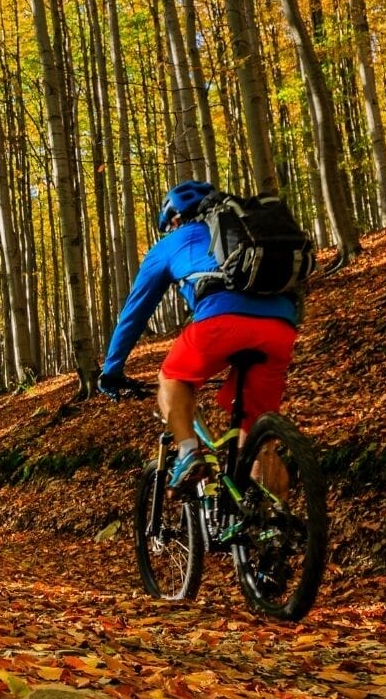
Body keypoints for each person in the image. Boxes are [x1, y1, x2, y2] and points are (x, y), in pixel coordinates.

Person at [98, 181, 301, 489]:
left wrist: (112, 370)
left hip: (220, 324)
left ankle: (188, 453)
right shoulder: (245, 232)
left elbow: (134, 312)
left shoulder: (170, 244)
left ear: (174, 219)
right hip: (280, 328)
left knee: (172, 379)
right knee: (258, 444)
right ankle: (280, 527)